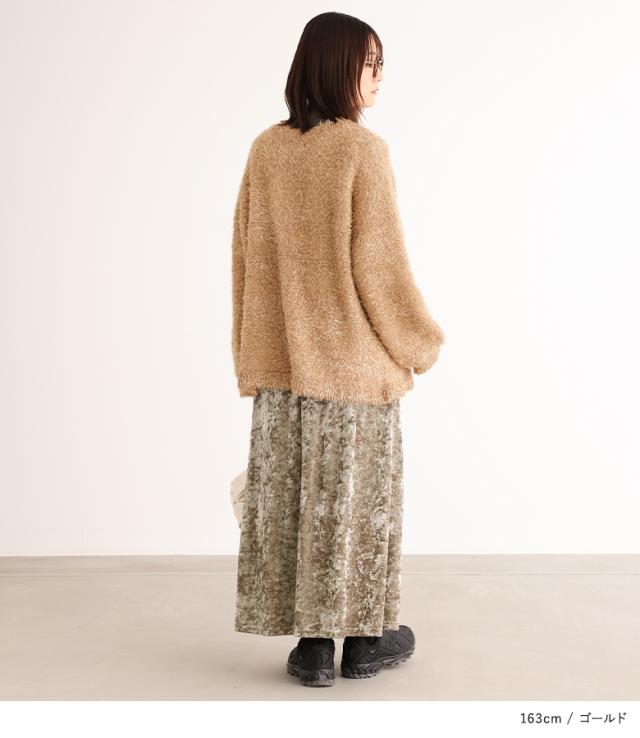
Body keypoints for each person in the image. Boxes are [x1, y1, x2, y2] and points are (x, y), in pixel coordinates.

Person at [230, 12, 446, 687]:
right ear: (335, 65)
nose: (379, 75)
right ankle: (365, 642)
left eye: (381, 63)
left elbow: (245, 260)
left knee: (297, 506)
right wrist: (420, 342)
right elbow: (379, 265)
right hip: (352, 370)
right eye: (368, 61)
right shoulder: (362, 150)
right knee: (356, 506)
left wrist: (251, 354)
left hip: (283, 370)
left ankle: (313, 649)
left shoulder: (266, 149)